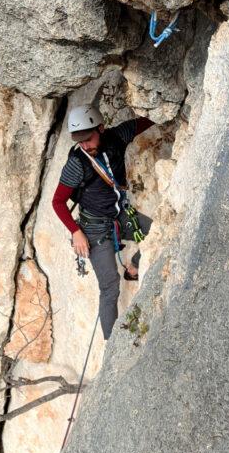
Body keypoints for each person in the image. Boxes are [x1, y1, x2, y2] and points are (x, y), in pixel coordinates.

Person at [51, 104, 154, 340]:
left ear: (101, 128)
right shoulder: (77, 163)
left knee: (159, 232)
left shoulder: (117, 137)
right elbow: (57, 202)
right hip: (94, 230)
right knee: (109, 287)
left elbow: (148, 120)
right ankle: (112, 346)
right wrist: (76, 232)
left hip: (119, 215)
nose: (84, 145)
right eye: (80, 141)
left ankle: (135, 267)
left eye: (88, 138)